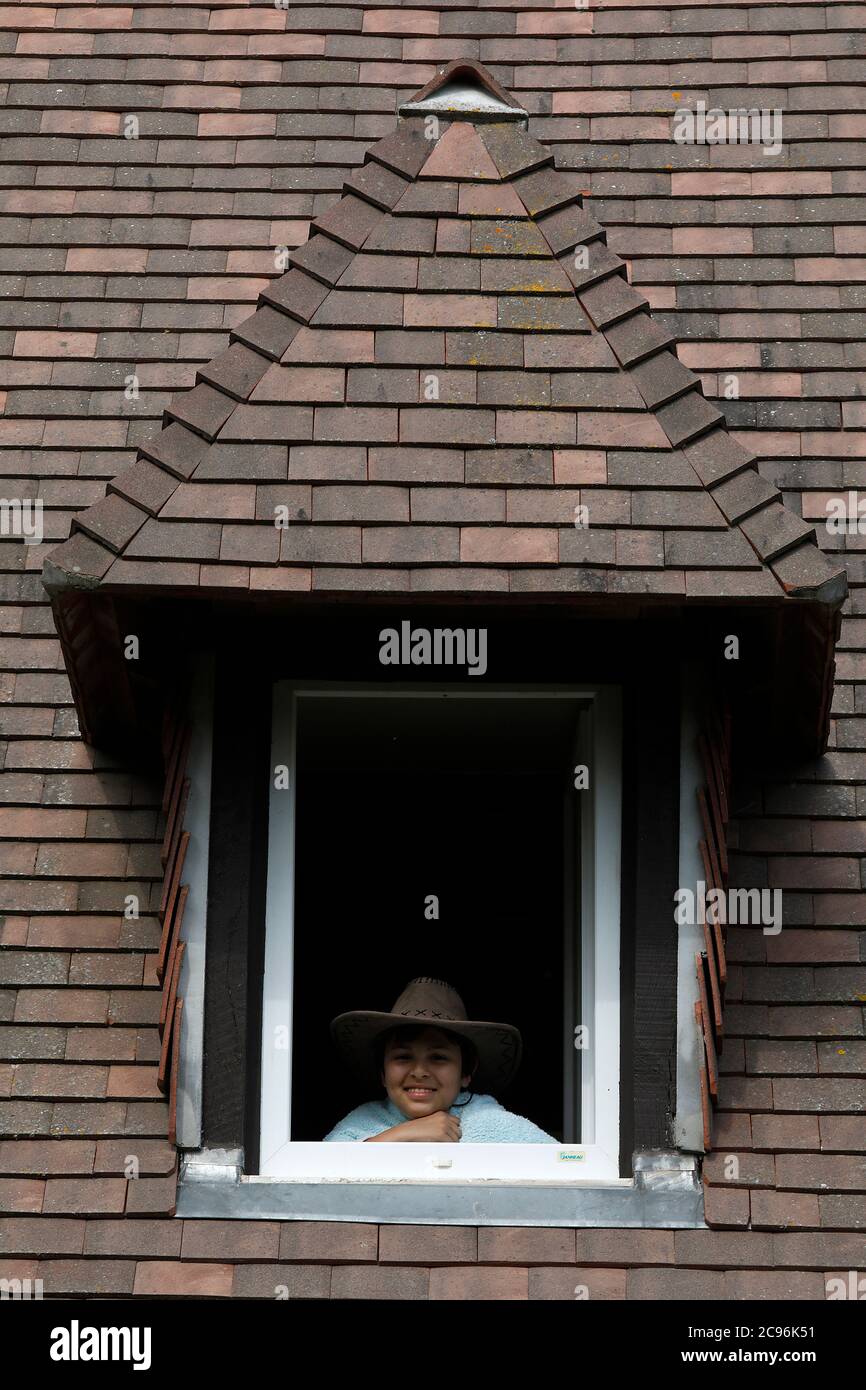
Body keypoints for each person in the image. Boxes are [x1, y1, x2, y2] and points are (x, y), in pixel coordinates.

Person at [323, 976, 558, 1143]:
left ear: (466, 1072)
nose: (419, 1071)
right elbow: (321, 1177)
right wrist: (400, 1135)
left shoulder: (493, 1125)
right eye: (403, 1057)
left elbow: (563, 1167)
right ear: (383, 1073)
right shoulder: (360, 1125)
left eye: (438, 1057)